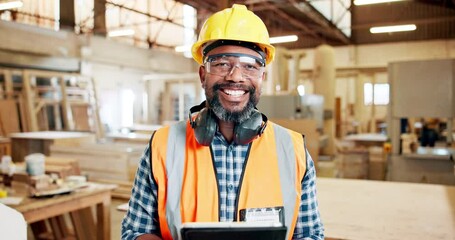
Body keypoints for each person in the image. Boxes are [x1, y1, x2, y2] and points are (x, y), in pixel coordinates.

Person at [121, 4, 324, 240]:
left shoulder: (293, 150)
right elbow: (135, 231)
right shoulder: (163, 147)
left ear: (262, 78)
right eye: (221, 64)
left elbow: (310, 234)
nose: (235, 76)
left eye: (250, 66)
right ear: (202, 75)